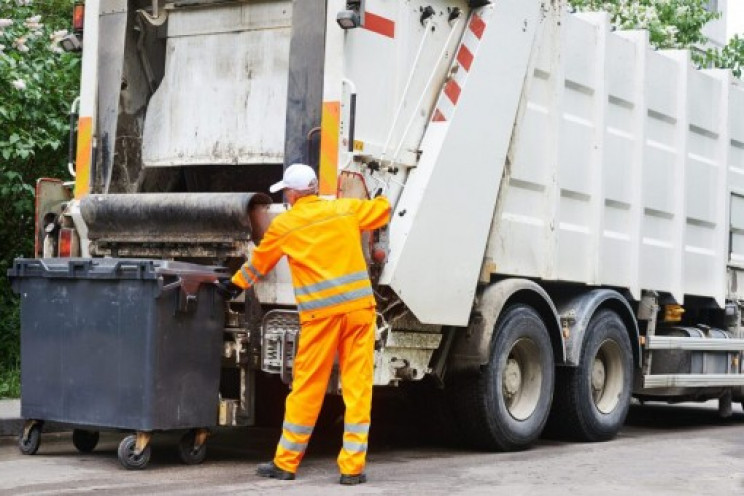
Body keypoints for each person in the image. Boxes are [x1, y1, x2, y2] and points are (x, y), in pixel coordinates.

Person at [218, 163, 391, 485]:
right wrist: (381, 191)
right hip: (358, 312)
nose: (286, 194)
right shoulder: (345, 209)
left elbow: (259, 263)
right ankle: (352, 469)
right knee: (357, 388)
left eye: (286, 190)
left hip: (320, 318)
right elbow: (381, 211)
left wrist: (233, 285)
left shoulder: (286, 224)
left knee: (307, 388)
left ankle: (286, 464)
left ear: (295, 193)